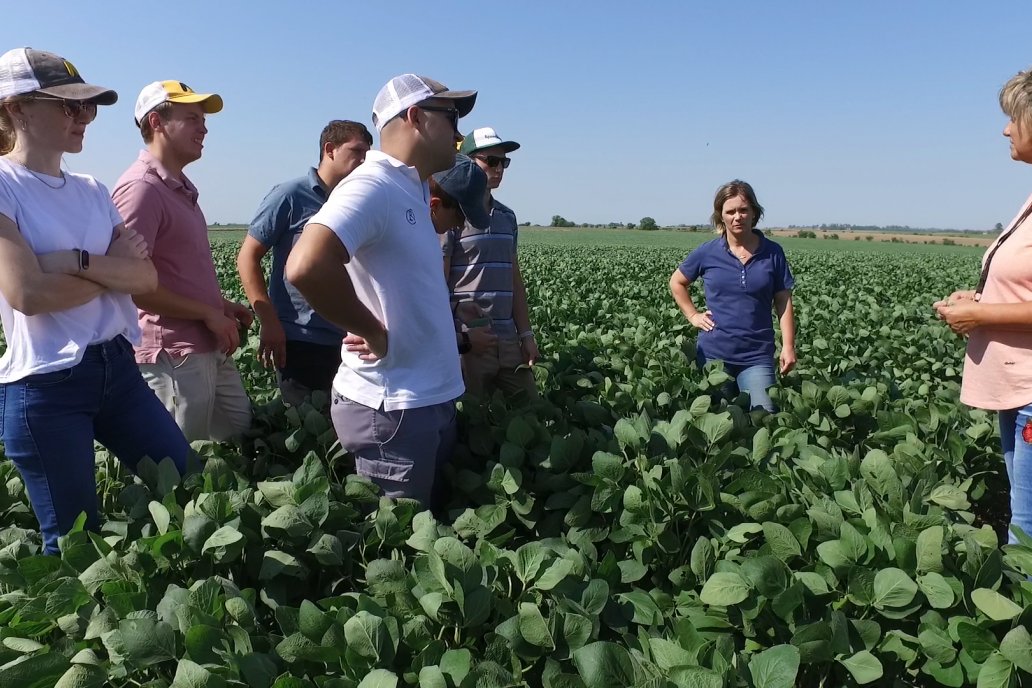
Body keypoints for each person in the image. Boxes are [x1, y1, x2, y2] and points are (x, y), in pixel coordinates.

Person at [0, 48, 190, 554]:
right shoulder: (3, 185)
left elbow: (145, 277)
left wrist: (73, 261)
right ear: (17, 109)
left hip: (118, 370)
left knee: (185, 482)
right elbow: (29, 294)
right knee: (74, 544)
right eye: (68, 106)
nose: (85, 117)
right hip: (47, 386)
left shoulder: (92, 189)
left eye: (89, 107)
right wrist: (111, 267)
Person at [286, 74, 475, 506]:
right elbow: (306, 265)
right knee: (398, 549)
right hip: (393, 409)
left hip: (424, 399)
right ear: (415, 118)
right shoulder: (372, 185)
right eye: (451, 118)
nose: (459, 134)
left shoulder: (410, 187)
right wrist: (370, 329)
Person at [112, 80, 253, 442]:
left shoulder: (180, 188)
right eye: (192, 117)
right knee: (179, 466)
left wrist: (219, 305)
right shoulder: (142, 189)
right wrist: (207, 313)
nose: (204, 127)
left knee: (236, 437)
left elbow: (175, 273)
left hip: (205, 342)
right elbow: (130, 285)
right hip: (171, 353)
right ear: (156, 122)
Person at [935, 67, 1032, 544]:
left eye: (1013, 117)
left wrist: (983, 315)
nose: (1005, 129)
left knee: (1027, 530)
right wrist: (978, 299)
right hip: (1017, 388)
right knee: (1023, 516)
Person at [237, 120, 372, 406]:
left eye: (367, 154)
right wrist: (269, 321)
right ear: (329, 150)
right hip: (300, 340)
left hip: (351, 340)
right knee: (305, 430)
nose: (363, 160)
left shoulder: (361, 202)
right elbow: (248, 257)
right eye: (357, 151)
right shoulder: (290, 195)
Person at [669, 180, 796, 412]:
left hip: (756, 355)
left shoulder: (773, 253)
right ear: (721, 216)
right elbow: (676, 282)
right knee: (717, 420)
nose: (737, 216)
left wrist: (788, 346)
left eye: (743, 210)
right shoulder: (707, 252)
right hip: (714, 356)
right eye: (730, 211)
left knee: (764, 417)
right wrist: (693, 315)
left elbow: (783, 301)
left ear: (754, 213)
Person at [451, 127, 538, 401]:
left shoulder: (507, 217)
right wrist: (458, 338)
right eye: (491, 161)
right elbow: (437, 282)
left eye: (504, 162)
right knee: (473, 421)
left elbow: (514, 280)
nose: (499, 168)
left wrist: (526, 334)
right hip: (471, 340)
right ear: (467, 162)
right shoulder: (451, 216)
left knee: (530, 407)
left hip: (508, 338)